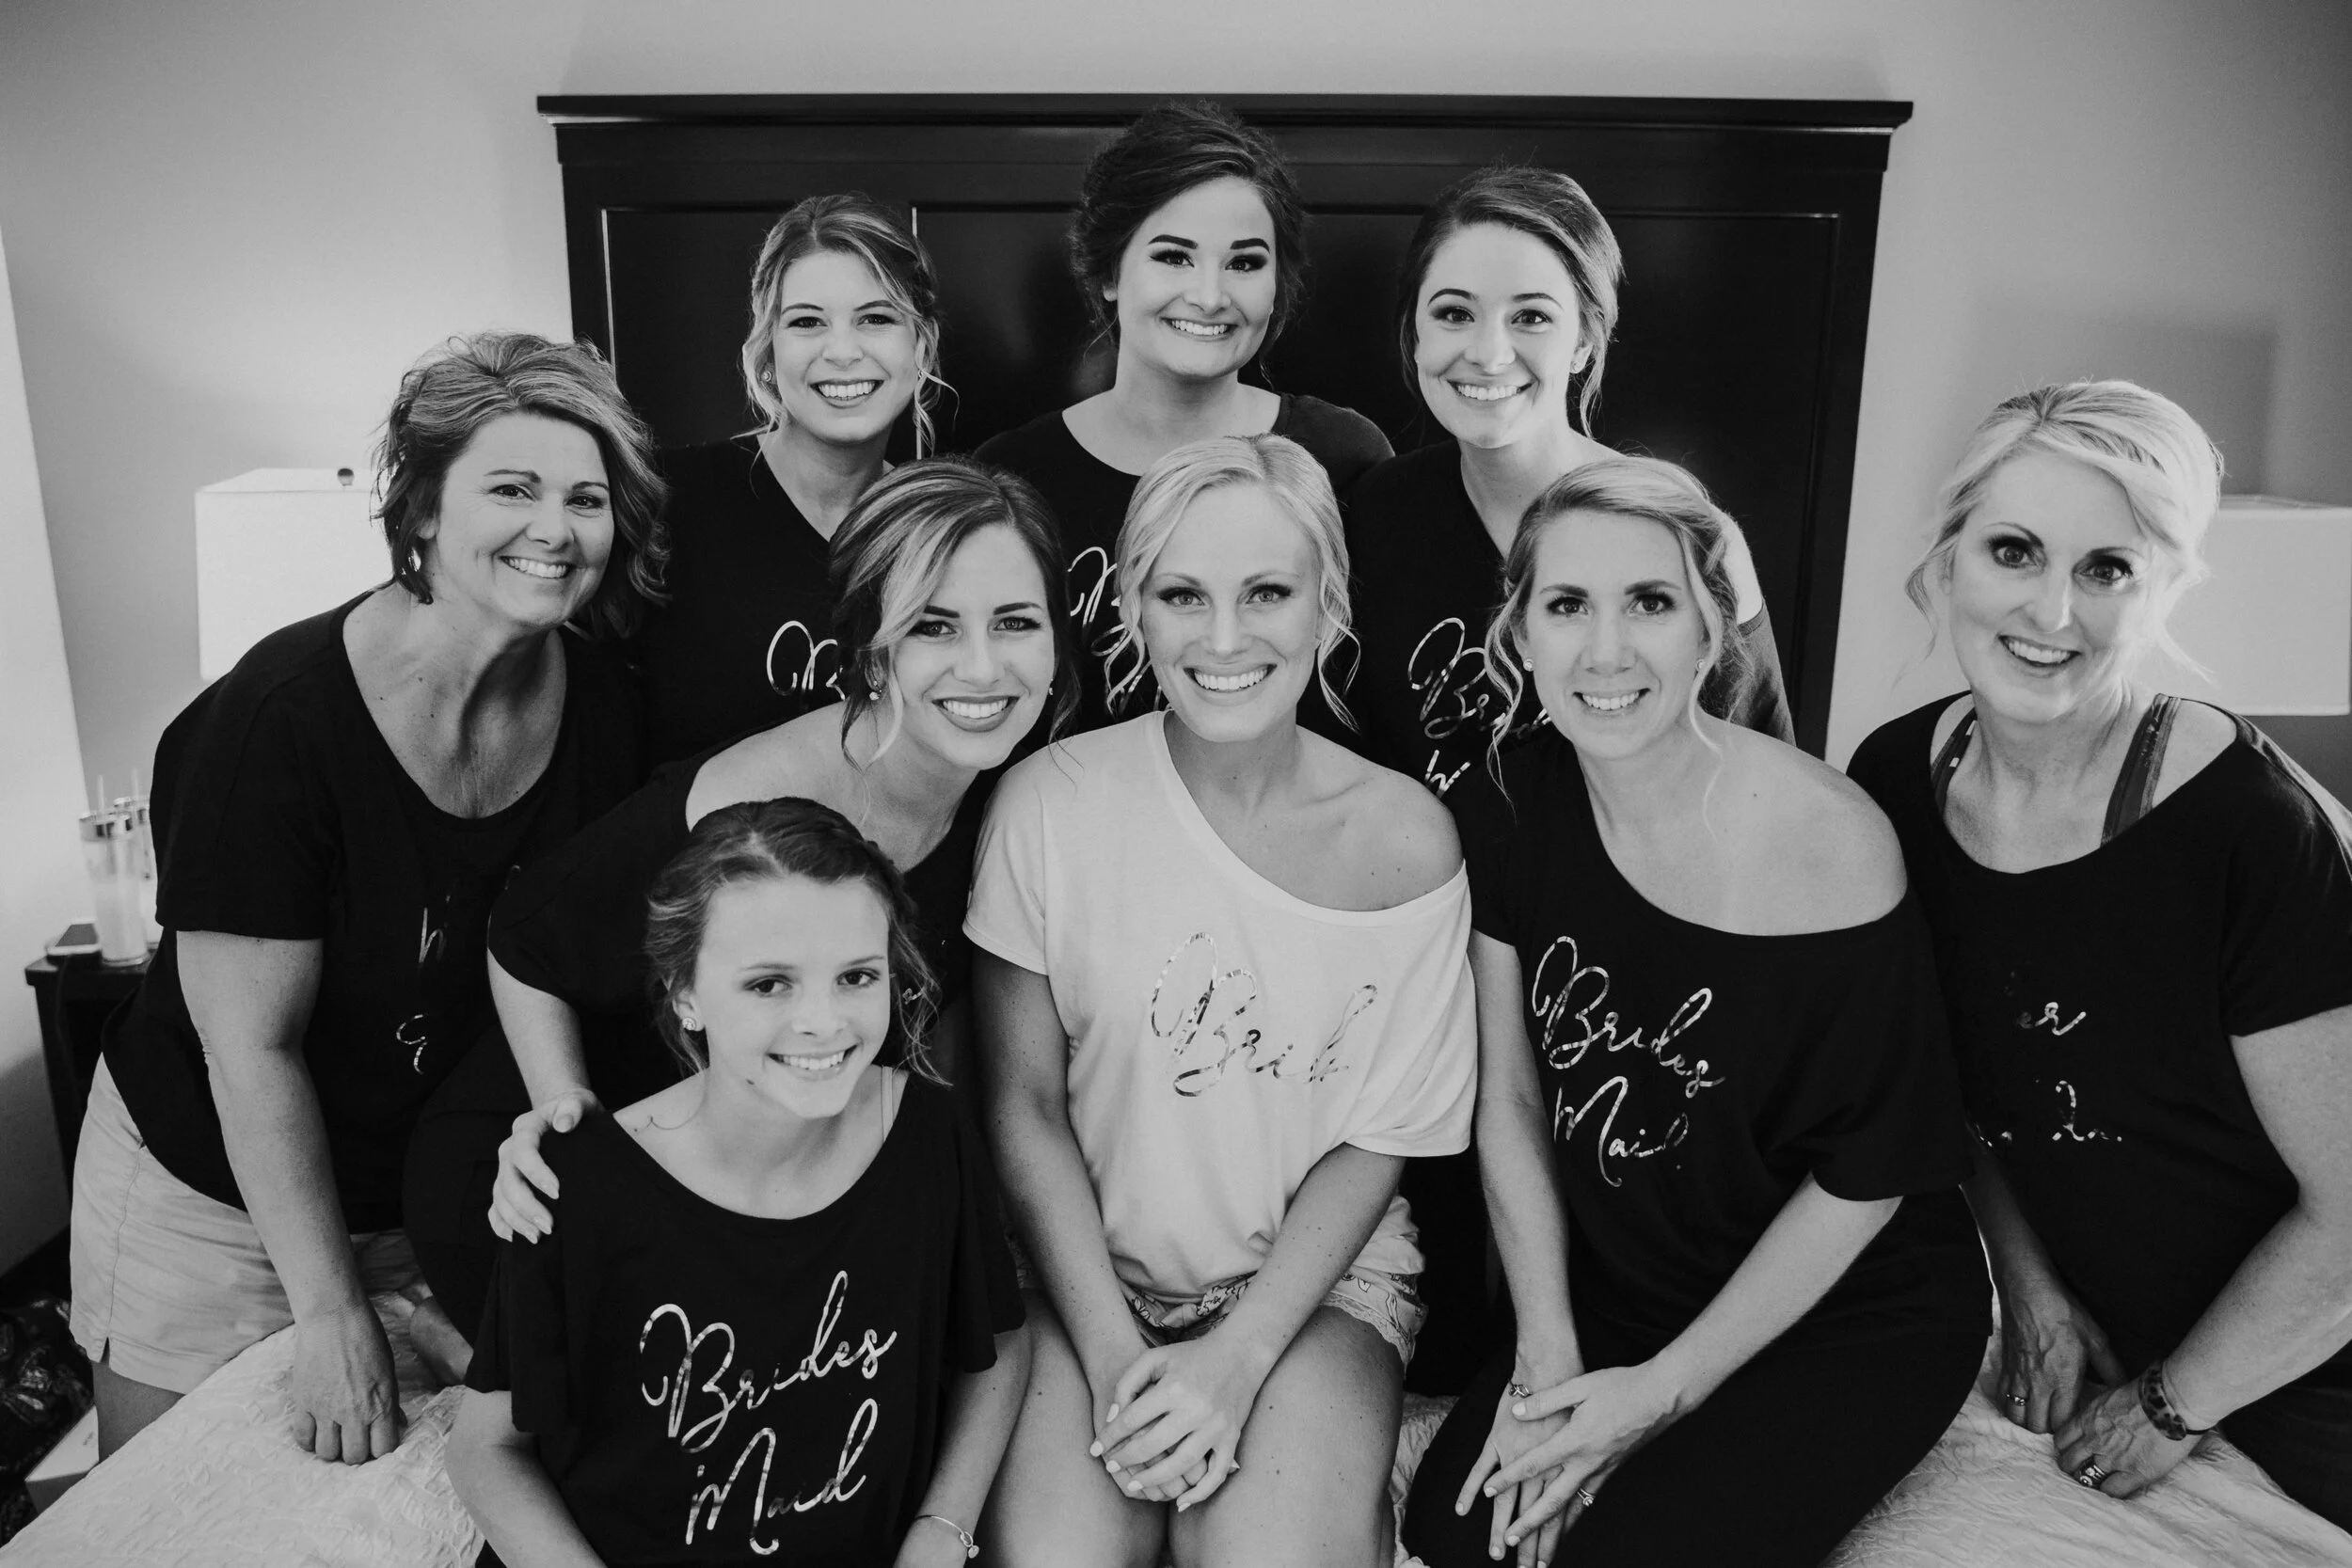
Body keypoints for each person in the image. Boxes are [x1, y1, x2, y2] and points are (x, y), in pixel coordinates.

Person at [68, 332, 664, 1460]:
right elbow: (249, 1048)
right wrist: (330, 1307)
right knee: (164, 1508)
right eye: (512, 488)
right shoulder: (275, 722)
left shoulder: (606, 706)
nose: (555, 527)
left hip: (430, 1193)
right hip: (221, 1197)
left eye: (586, 498)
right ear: (423, 509)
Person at [1400, 456, 1991, 1568]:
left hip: (1845, 1301)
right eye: (1567, 605)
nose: (1606, 650)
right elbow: (1510, 1099)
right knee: (1460, 1536)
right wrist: (1547, 1351)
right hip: (1627, 1283)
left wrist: (1662, 1391)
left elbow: (1870, 1173)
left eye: (1649, 602)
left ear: (1711, 628)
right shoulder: (1505, 806)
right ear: (1518, 631)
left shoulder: (1832, 839)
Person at [401, 457, 1075, 1374]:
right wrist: (571, 1125)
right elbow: (524, 939)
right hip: (540, 1177)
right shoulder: (745, 809)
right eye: (933, 624)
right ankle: (450, 1332)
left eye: (1016, 622)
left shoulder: (1012, 790)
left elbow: (937, 1028)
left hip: (761, 1170)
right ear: (872, 644)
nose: (984, 666)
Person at [1847, 380, 2352, 1528]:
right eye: (2013, 550)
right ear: (1948, 556)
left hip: (2303, 1365)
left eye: (2106, 568)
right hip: (2108, 1324)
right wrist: (2027, 1285)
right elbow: (1947, 1078)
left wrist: (2169, 1407)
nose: (2052, 610)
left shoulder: (2250, 833)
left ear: (2163, 588)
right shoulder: (1891, 783)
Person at [971, 435, 1475, 1566]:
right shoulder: (1047, 802)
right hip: (1078, 1277)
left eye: (1267, 593)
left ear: (1327, 603)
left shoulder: (1405, 841)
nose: (1225, 637)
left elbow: (1383, 1132)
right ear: (1132, 607)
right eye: (1183, 594)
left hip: (1314, 1287)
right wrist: (1116, 1358)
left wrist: (1236, 1361)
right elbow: (1023, 1106)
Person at [449, 798, 1030, 1567]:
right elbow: (485, 1450)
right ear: (684, 992)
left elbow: (999, 1344)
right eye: (769, 984)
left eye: (857, 976)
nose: (823, 1021)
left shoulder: (927, 1137)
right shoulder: (578, 1181)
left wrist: (941, 1530)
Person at [1343, 165, 1793, 801]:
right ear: (1414, 333)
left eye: (1531, 317)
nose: (1489, 354)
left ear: (1584, 340)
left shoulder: (1682, 531)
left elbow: (1765, 784)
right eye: (1454, 313)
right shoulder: (1371, 512)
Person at [978, 101, 1391, 734]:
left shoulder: (1344, 456)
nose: (1209, 295)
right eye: (1173, 257)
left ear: (1277, 285)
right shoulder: (1013, 476)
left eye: (1245, 263)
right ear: (1110, 271)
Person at [635, 192, 946, 765]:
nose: (842, 351)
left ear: (920, 343)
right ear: (768, 348)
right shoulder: (666, 499)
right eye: (807, 322)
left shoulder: (941, 526)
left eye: (875, 319)